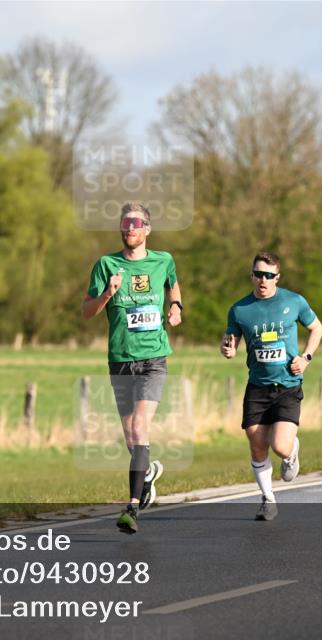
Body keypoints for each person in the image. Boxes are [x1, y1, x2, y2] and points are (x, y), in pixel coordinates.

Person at [82, 202, 183, 533]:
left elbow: (172, 283)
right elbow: (86, 312)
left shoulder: (163, 260)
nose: (130, 228)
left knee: (140, 428)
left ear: (148, 230)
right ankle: (149, 471)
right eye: (125, 224)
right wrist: (108, 294)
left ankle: (132, 508)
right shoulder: (105, 264)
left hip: (154, 358)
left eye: (136, 223)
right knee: (130, 436)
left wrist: (176, 307)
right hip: (120, 359)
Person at [221, 252, 322, 520]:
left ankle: (291, 453)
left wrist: (306, 358)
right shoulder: (240, 309)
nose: (263, 280)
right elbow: (230, 339)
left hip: (288, 384)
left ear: (277, 277)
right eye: (258, 274)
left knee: (279, 445)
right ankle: (267, 499)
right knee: (257, 444)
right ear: (252, 276)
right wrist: (228, 349)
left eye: (268, 275)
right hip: (257, 386)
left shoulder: (294, 301)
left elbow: (317, 329)